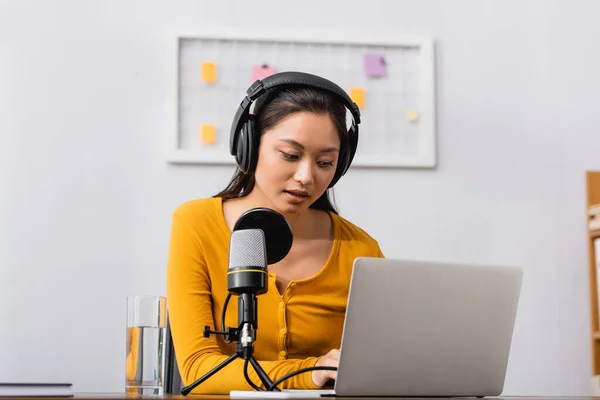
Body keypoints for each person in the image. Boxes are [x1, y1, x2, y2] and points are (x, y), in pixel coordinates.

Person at [166, 72, 385, 395]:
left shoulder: (361, 249)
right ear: (249, 146)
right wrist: (309, 373)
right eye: (290, 155)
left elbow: (381, 365)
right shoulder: (196, 223)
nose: (306, 176)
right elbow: (197, 367)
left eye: (325, 162)